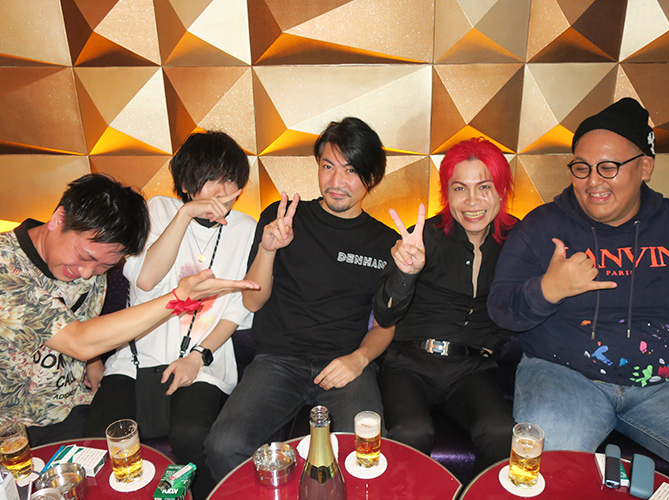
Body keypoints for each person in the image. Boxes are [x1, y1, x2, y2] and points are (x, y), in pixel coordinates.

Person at [487, 97, 669, 490]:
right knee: (547, 472)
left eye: (608, 167)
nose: (593, 182)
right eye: (582, 168)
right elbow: (500, 309)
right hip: (563, 375)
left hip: (666, 383)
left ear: (645, 167)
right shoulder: (543, 225)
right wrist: (548, 290)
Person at [205, 117, 398, 480]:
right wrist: (268, 249)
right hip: (278, 361)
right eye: (328, 166)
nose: (336, 181)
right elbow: (252, 303)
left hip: (345, 364)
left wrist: (358, 359)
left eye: (351, 170)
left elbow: (385, 325)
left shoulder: (385, 243)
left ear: (372, 177)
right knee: (223, 445)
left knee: (366, 455)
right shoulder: (282, 219)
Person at [0, 173, 255, 447]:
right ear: (59, 219)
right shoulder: (6, 265)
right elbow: (78, 340)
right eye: (85, 257)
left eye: (104, 266)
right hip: (11, 425)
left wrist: (93, 363)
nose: (87, 273)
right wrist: (179, 298)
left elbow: (83, 322)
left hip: (70, 408)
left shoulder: (94, 267)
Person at [84, 132, 256, 499]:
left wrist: (198, 356)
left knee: (191, 435)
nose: (221, 190)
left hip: (203, 360)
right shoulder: (157, 210)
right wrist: (185, 215)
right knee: (99, 439)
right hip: (134, 359)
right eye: (210, 178)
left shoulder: (246, 229)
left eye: (230, 179)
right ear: (187, 181)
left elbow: (236, 309)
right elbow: (146, 280)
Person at [373, 138, 518, 471]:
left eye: (484, 187)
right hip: (410, 364)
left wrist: (492, 342)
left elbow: (523, 303)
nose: (472, 201)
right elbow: (384, 314)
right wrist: (406, 274)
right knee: (412, 431)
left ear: (501, 191)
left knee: (500, 431)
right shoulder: (423, 238)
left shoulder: (516, 241)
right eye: (459, 188)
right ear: (447, 194)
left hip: (470, 369)